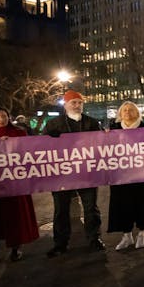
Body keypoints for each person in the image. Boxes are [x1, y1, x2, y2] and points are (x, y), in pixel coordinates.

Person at [44, 90, 105, 257]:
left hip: (87, 174)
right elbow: (41, 147)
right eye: (74, 103)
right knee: (61, 210)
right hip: (61, 175)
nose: (77, 106)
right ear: (66, 104)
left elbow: (102, 145)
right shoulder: (53, 124)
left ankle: (94, 239)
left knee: (91, 208)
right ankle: (60, 243)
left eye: (80, 103)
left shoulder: (91, 123)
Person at [0, 106, 39, 263]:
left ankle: (16, 247)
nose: (1, 120)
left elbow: (31, 153)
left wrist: (13, 145)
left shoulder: (18, 133)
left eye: (4, 116)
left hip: (14, 185)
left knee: (15, 217)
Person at [107, 102, 144, 250]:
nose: (128, 112)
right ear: (120, 113)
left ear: (137, 113)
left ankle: (143, 232)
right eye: (124, 110)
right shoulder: (113, 130)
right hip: (120, 175)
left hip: (142, 174)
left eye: (131, 110)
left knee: (142, 201)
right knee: (122, 203)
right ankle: (127, 235)